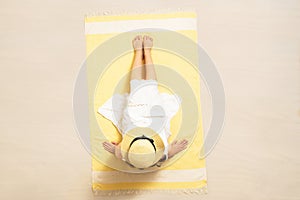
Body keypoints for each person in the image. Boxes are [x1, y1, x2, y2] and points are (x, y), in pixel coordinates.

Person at [99, 35, 188, 169]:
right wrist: (176, 149)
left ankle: (138, 53)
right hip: (156, 117)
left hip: (133, 117)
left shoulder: (125, 153)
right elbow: (169, 153)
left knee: (136, 87)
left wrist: (114, 149)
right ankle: (146, 51)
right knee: (151, 86)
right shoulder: (161, 153)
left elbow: (118, 153)